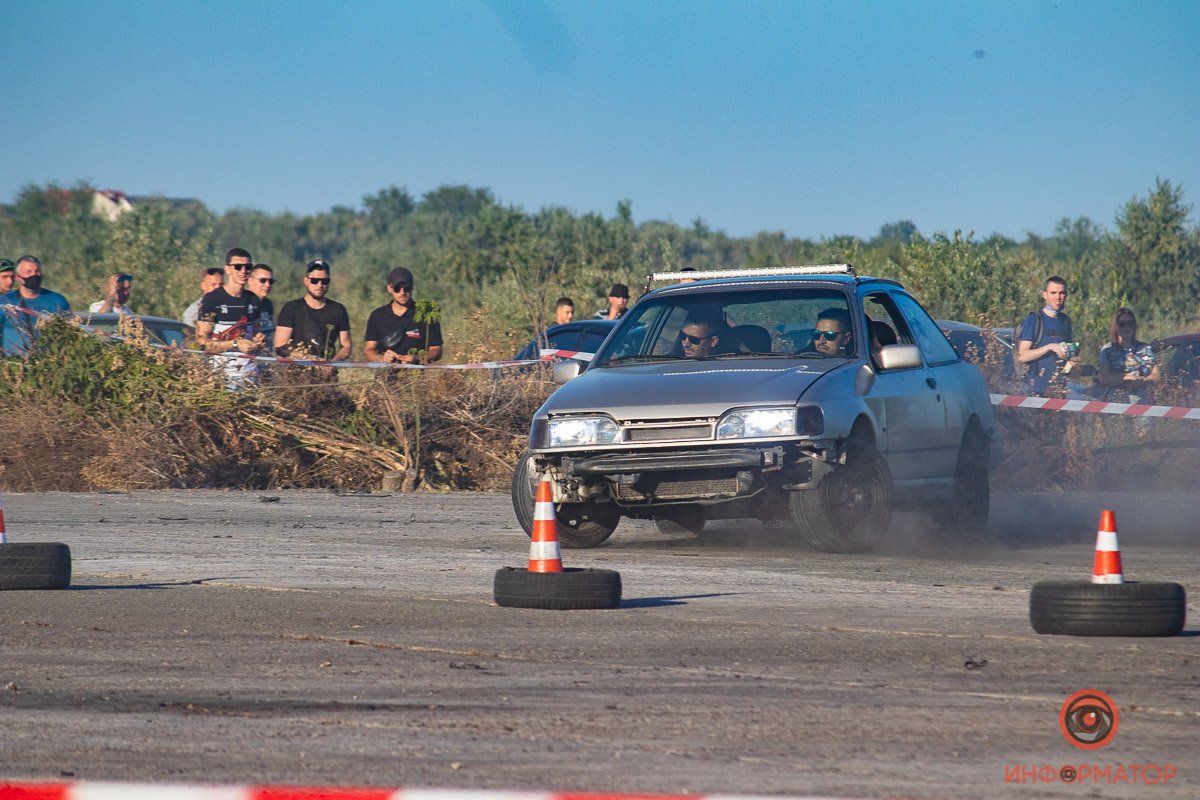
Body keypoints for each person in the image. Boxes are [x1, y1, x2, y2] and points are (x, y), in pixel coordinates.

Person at [194, 247, 265, 388]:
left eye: (248, 267)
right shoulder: (212, 299)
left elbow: (256, 333)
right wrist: (234, 344)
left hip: (250, 377)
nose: (243, 271)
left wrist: (258, 342)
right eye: (238, 267)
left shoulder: (254, 300)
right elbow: (202, 343)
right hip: (222, 377)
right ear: (227, 269)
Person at [275, 259, 352, 362]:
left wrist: (332, 364)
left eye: (324, 281)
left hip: (327, 375)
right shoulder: (291, 308)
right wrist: (311, 360)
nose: (319, 285)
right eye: (314, 281)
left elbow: (346, 346)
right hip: (295, 374)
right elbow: (280, 346)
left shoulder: (338, 310)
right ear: (306, 281)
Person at [364, 266, 443, 365]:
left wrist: (417, 358)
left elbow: (436, 350)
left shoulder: (426, 314)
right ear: (389, 288)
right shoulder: (377, 315)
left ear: (412, 287)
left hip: (416, 378)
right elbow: (369, 350)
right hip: (384, 377)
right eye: (397, 288)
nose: (402, 293)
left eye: (406, 288)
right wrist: (382, 359)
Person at [1017, 276, 1078, 395]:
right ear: (1045, 295)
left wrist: (1072, 362)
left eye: (1062, 293)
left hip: (1058, 390)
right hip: (1035, 391)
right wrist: (1050, 347)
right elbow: (1022, 356)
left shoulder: (1065, 321)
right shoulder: (1034, 319)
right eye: (1053, 293)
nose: (1058, 297)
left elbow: (1066, 356)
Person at [1, 255, 71, 356]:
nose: (34, 275)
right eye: (28, 272)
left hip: (48, 363)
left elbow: (69, 333)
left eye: (37, 271)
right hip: (14, 365)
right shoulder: (4, 302)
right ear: (18, 277)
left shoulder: (57, 300)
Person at [1096, 307, 1160, 403]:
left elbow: (1156, 375)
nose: (1127, 327)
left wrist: (1142, 382)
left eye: (1130, 324)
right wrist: (1127, 377)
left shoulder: (1145, 349)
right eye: (1122, 324)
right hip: (1116, 401)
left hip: (1143, 401)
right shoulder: (1107, 350)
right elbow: (1104, 378)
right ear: (1116, 327)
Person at [247, 264, 277, 356]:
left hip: (267, 359)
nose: (267, 285)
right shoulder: (243, 303)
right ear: (250, 280)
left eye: (271, 281)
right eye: (262, 280)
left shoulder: (268, 304)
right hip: (248, 360)